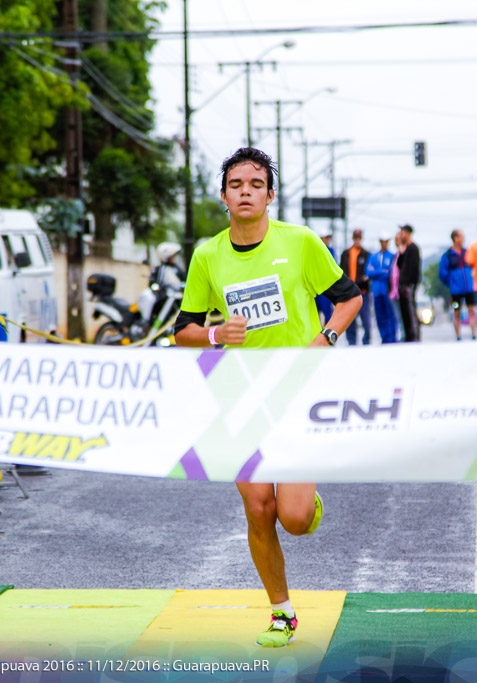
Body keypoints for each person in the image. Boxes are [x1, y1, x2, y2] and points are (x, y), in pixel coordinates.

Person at [173, 148, 362, 649]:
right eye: (236, 184)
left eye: (256, 184)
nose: (246, 191)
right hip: (240, 399)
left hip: (298, 393)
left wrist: (324, 341)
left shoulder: (299, 243)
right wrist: (215, 337)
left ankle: (306, 503)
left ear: (270, 195)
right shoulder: (207, 255)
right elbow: (183, 330)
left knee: (293, 519)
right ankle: (282, 612)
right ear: (223, 195)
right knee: (258, 508)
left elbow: (350, 298)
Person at [438, 229, 477, 340]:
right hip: (456, 291)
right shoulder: (447, 256)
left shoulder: (467, 252)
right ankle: (458, 335)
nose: (463, 239)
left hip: (469, 288)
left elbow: (474, 266)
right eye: (461, 236)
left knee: (472, 310)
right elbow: (443, 274)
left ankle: (474, 334)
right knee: (457, 311)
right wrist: (452, 282)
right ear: (455, 238)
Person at [340, 229, 372, 345]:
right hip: (350, 292)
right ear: (353, 239)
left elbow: (369, 272)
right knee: (350, 319)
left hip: (363, 291)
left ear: (361, 239)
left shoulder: (366, 254)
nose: (357, 240)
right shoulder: (346, 254)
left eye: (359, 238)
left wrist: (365, 279)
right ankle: (351, 342)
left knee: (365, 318)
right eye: (355, 238)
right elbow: (341, 271)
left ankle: (366, 340)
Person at [365, 232, 398, 343]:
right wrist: (381, 271)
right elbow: (369, 272)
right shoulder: (373, 256)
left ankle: (391, 337)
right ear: (380, 242)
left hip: (387, 291)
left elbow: (391, 273)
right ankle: (384, 337)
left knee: (390, 314)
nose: (384, 243)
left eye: (386, 241)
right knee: (379, 316)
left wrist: (378, 273)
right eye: (382, 241)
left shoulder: (392, 256)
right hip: (376, 291)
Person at [396, 224, 422, 342]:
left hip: (409, 285)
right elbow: (399, 266)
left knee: (410, 310)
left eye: (402, 233)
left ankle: (414, 335)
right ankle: (408, 335)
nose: (401, 235)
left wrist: (409, 284)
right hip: (402, 285)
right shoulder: (404, 249)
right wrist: (401, 254)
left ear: (408, 233)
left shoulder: (413, 248)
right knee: (404, 311)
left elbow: (414, 269)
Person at [315, 228, 336, 325]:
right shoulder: (315, 250)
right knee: (315, 313)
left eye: (328, 238)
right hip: (315, 287)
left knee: (328, 314)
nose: (326, 240)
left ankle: (327, 337)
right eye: (324, 238)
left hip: (326, 287)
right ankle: (315, 337)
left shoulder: (331, 251)